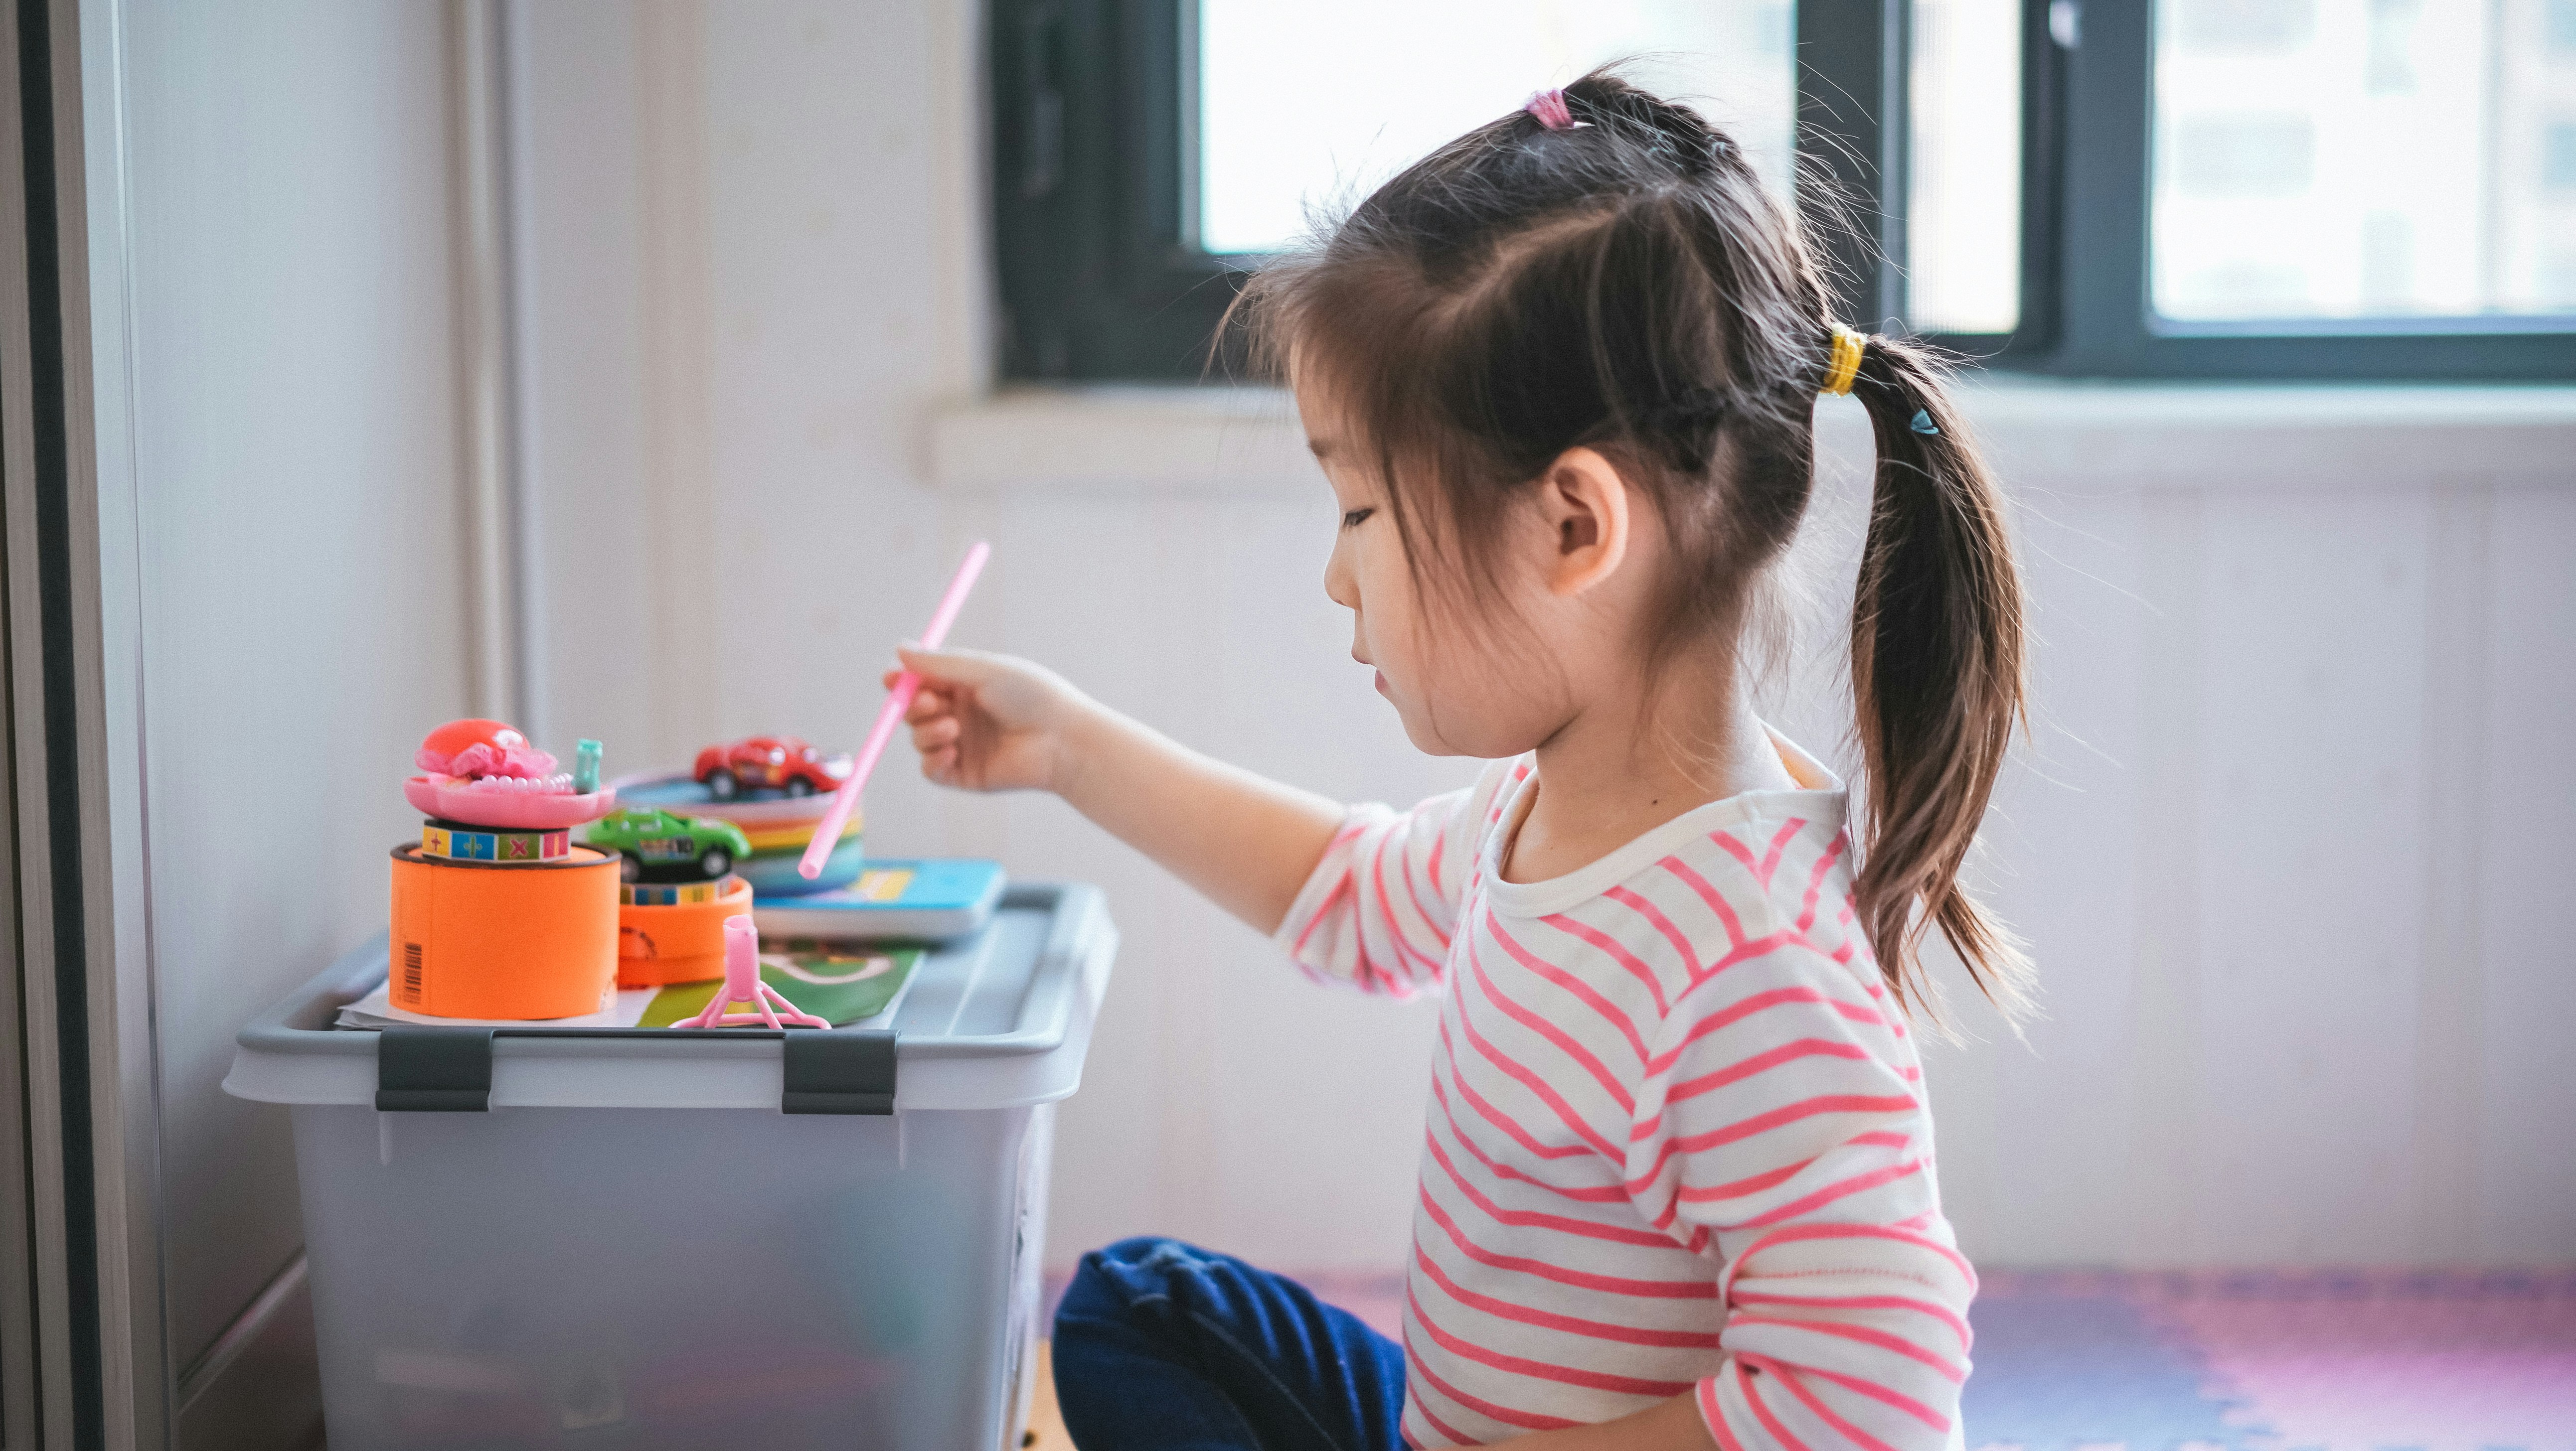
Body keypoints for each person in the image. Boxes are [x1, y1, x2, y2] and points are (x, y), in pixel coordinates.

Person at [894, 69, 2026, 1451]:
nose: (1337, 576)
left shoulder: (1747, 970)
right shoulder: (1548, 813)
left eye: (1362, 512)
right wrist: (1068, 746)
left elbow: (1875, 1401)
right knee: (1144, 1308)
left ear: (1572, 528)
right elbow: (1352, 896)